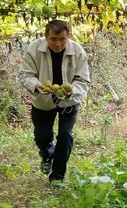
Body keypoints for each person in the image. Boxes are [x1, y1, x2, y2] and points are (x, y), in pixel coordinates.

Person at [19, 20, 91, 187]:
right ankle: (47, 153)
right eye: (53, 39)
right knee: (42, 136)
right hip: (43, 100)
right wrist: (35, 85)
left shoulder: (78, 51)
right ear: (46, 37)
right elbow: (25, 75)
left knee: (66, 136)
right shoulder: (34, 49)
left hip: (69, 101)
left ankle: (57, 176)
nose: (58, 44)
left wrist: (72, 89)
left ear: (68, 37)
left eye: (62, 39)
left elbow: (84, 80)